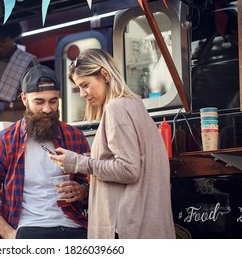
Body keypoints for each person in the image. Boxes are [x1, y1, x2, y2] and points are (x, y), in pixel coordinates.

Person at [48, 49, 176, 239]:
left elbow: (128, 169)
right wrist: (81, 158)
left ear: (104, 75)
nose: (82, 94)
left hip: (125, 228)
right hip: (147, 226)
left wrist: (78, 163)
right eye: (79, 88)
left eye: (85, 85)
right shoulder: (134, 105)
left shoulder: (116, 109)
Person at [0, 65, 90, 239]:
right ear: (24, 99)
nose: (47, 109)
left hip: (73, 224)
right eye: (39, 102)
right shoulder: (2, 142)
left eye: (53, 101)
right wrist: (10, 234)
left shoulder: (74, 136)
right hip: (27, 228)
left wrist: (82, 191)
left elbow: (91, 186)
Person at [0, 22, 39, 123]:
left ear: (13, 38)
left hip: (17, 121)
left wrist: (3, 106)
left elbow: (36, 99)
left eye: (3, 42)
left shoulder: (27, 61)